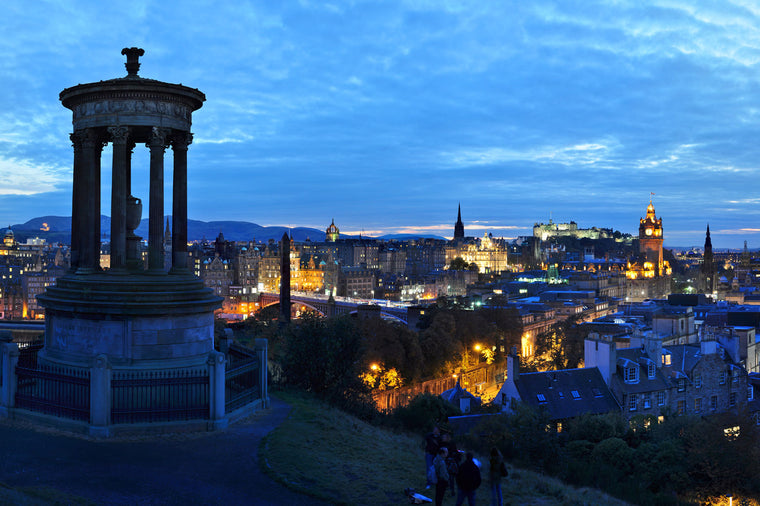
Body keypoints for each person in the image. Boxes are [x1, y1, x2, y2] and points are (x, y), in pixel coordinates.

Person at [441, 432, 460, 497]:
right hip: (447, 462)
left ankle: (452, 492)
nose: (442, 438)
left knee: (451, 477)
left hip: (450, 463)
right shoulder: (443, 444)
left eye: (444, 437)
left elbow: (453, 452)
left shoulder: (451, 444)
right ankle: (448, 488)